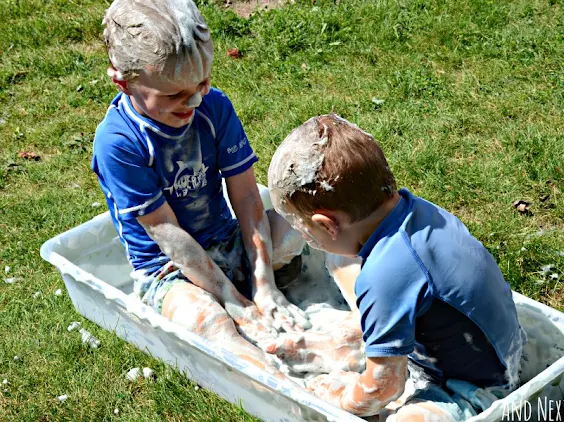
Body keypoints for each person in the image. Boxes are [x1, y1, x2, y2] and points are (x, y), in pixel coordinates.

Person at [92, 0, 310, 376]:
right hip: (169, 270)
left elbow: (245, 195)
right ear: (123, 82)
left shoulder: (214, 107)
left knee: (303, 227)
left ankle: (280, 295)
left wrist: (262, 282)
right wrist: (230, 299)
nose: (193, 100)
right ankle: (284, 387)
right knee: (210, 322)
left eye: (202, 83)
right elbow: (167, 233)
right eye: (174, 95)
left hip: (226, 241)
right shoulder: (118, 142)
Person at [265, 114, 526, 419]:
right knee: (343, 262)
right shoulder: (419, 211)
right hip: (504, 349)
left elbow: (384, 388)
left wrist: (337, 399)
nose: (307, 239)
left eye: (305, 231)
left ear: (328, 224)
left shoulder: (384, 276)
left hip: (474, 389)